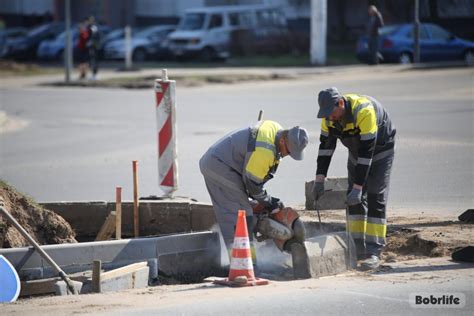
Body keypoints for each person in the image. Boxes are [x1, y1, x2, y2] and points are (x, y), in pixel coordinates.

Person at [199, 120, 308, 264]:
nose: (287, 155)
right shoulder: (265, 152)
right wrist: (269, 202)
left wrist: (264, 202)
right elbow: (252, 185)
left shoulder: (276, 129)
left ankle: (255, 234)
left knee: (247, 209)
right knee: (238, 215)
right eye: (288, 151)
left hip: (227, 164)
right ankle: (242, 265)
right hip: (219, 166)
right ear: (282, 140)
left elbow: (253, 180)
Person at [312, 87, 396, 270]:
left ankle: (374, 252)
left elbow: (367, 153)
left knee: (374, 196)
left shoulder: (364, 112)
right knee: (353, 200)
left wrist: (359, 187)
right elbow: (326, 149)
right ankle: (356, 248)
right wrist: (319, 180)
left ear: (340, 103)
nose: (329, 118)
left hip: (380, 150)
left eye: (331, 113)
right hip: (356, 152)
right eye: (325, 114)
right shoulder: (328, 119)